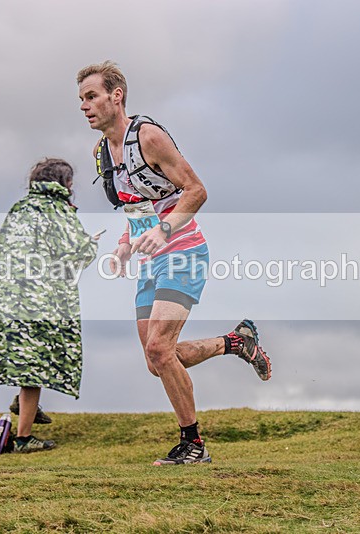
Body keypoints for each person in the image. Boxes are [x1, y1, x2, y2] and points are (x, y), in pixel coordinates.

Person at [77, 61, 272, 465]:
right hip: (151, 260)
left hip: (183, 250)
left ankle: (193, 445)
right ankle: (235, 343)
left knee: (159, 348)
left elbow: (196, 191)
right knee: (157, 360)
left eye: (91, 96)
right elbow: (137, 206)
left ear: (117, 96)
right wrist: (126, 245)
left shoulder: (148, 136)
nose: (84, 106)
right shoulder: (101, 153)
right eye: (81, 99)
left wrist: (163, 231)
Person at [0, 158, 99, 452]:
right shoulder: (59, 211)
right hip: (44, 300)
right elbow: (81, 253)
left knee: (26, 358)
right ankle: (23, 438)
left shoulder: (19, 208)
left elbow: (1, 247)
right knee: (35, 365)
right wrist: (92, 240)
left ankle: (25, 406)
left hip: (10, 296)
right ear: (65, 184)